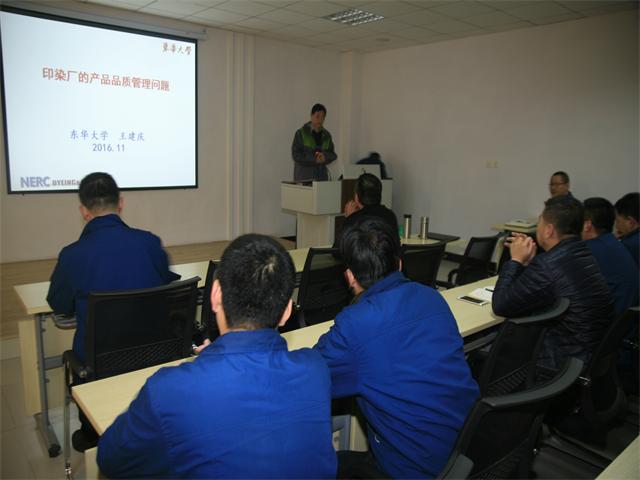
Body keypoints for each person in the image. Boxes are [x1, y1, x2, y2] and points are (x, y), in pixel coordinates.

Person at [97, 234, 337, 478]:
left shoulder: (168, 390)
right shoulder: (315, 369)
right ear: (287, 311)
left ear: (215, 295)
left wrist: (206, 362)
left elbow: (110, 460)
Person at [315, 217, 479, 478]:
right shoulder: (432, 298)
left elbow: (311, 376)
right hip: (468, 451)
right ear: (400, 264)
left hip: (413, 469)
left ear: (349, 277)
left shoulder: (355, 324)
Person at [47, 172, 179, 451]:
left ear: (84, 211)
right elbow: (165, 284)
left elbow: (59, 306)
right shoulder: (149, 242)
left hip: (99, 367)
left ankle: (91, 433)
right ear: (121, 203)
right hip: (153, 357)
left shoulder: (72, 255)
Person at [492, 195, 615, 369]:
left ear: (548, 230)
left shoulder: (547, 265)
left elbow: (500, 305)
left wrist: (516, 261)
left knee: (495, 347)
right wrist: (527, 263)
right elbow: (543, 285)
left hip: (561, 363)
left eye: (539, 222)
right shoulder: (582, 253)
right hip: (590, 353)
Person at [582, 197, 639, 315]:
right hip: (629, 319)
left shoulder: (587, 251)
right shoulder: (614, 242)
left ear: (587, 225)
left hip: (614, 321)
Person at [292, 103, 337, 182]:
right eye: (317, 116)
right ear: (311, 116)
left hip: (321, 179)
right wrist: (314, 159)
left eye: (322, 117)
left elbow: (333, 155)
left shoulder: (327, 136)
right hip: (304, 178)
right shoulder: (301, 133)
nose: (320, 120)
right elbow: (296, 155)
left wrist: (325, 157)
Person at [614, 192, 639, 266]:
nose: (616, 226)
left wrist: (613, 242)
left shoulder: (627, 246)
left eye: (617, 221)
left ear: (630, 222)